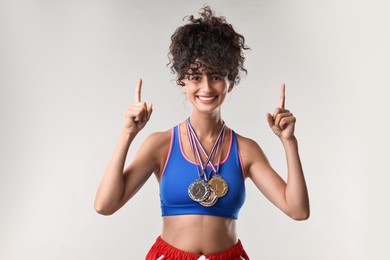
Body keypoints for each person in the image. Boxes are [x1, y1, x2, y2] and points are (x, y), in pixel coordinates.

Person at [94, 6, 309, 260]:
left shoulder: (246, 150)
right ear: (182, 82)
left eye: (216, 76)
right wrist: (127, 133)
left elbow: (297, 210)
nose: (206, 87)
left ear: (230, 83)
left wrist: (289, 143)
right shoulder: (161, 144)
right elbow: (105, 205)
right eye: (196, 76)